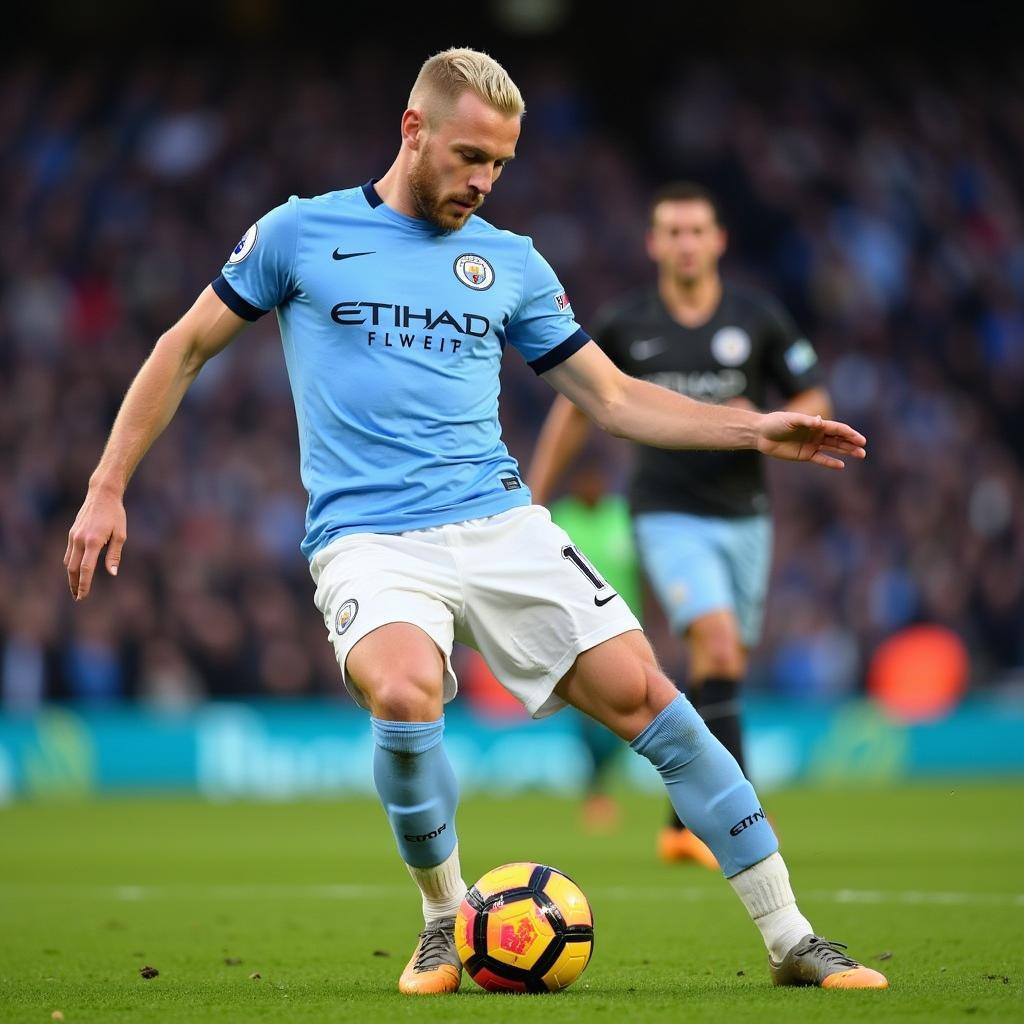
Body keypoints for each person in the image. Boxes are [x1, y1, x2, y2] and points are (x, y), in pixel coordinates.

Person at [64, 49, 886, 994]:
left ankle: (791, 938)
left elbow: (613, 399)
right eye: (469, 157)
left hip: (498, 523)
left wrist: (755, 427)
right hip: (368, 538)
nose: (483, 181)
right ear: (412, 129)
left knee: (654, 701)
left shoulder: (510, 261)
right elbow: (182, 349)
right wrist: (106, 483)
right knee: (408, 693)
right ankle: (443, 922)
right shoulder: (299, 232)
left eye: (500, 164)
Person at [528, 182, 830, 869]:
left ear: (718, 240)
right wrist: (535, 495)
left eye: (697, 230)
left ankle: (679, 821)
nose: (686, 243)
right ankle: (737, 812)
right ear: (654, 243)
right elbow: (577, 405)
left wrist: (777, 415)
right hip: (665, 512)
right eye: (673, 231)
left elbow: (810, 392)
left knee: (721, 665)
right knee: (717, 646)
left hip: (745, 515)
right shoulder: (626, 324)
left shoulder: (757, 318)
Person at [548, 455, 643, 831]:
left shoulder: (622, 516)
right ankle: (596, 789)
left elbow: (642, 571)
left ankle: (601, 787)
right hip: (575, 632)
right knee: (589, 717)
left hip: (626, 628)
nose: (593, 488)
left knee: (626, 710)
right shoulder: (560, 519)